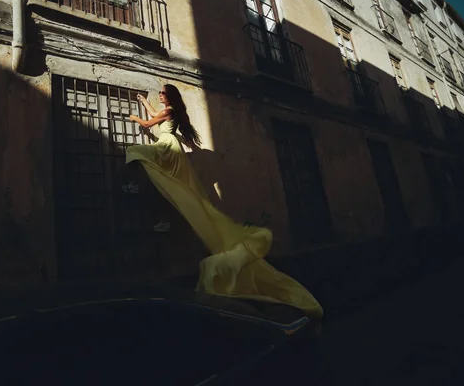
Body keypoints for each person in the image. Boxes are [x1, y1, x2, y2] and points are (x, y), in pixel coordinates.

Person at [125, 84, 323, 320]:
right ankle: (159, 215)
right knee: (174, 189)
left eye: (163, 94)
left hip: (167, 146)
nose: (159, 96)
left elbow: (149, 124)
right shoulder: (169, 111)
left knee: (138, 153)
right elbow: (155, 116)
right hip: (171, 147)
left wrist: (134, 116)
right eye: (159, 94)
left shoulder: (169, 112)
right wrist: (145, 102)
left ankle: (137, 189)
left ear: (170, 97)